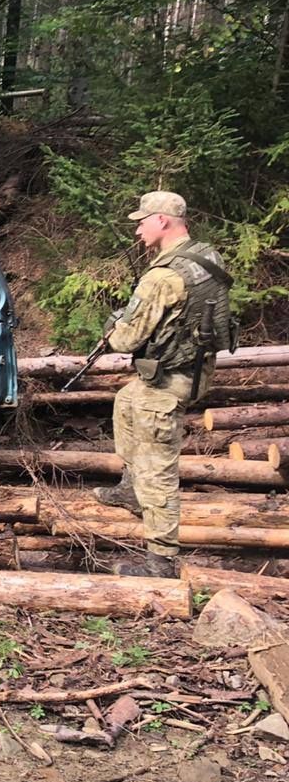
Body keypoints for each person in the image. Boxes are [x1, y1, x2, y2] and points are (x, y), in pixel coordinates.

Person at [93, 192, 234, 578]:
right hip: (192, 369)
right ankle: (130, 489)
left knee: (159, 471)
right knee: (125, 399)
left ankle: (162, 561)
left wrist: (113, 326)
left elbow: (125, 340)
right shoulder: (205, 256)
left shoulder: (162, 276)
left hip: (171, 381)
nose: (138, 228)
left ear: (163, 221)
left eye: (143, 220)